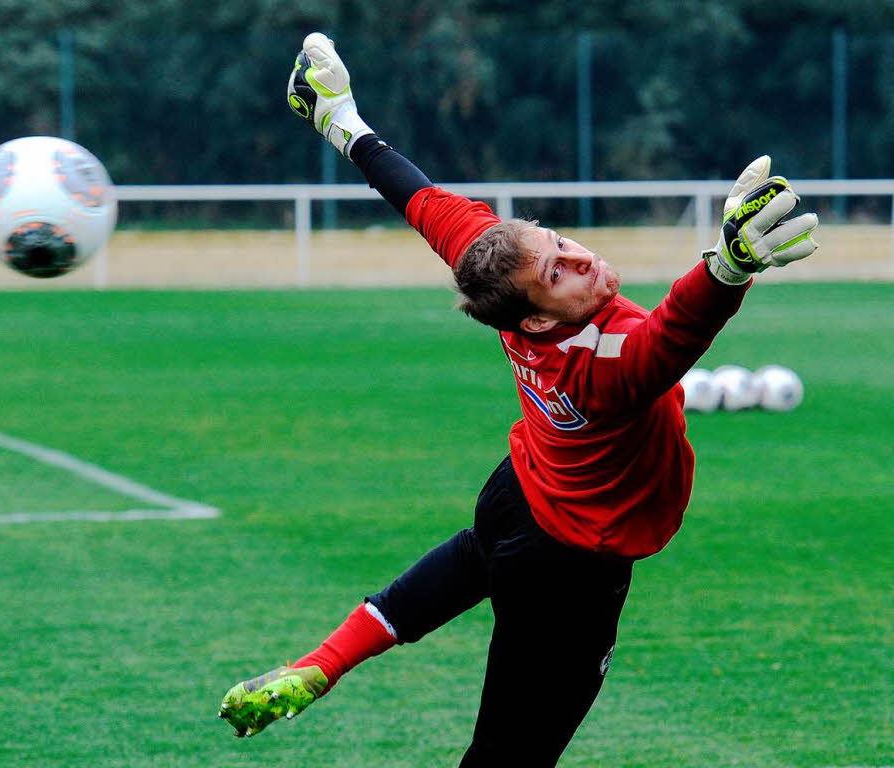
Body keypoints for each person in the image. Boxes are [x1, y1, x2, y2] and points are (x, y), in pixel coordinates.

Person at [219, 33, 819, 765]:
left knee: (478, 558)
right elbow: (671, 338)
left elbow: (419, 199)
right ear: (536, 317)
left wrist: (341, 122)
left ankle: (323, 662)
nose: (579, 256)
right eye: (560, 271)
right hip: (569, 571)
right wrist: (728, 266)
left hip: (518, 496)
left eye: (560, 241)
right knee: (509, 757)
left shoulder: (498, 270)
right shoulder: (606, 365)